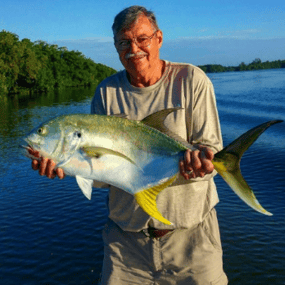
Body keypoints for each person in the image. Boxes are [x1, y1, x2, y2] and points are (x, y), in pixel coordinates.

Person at [30, 5, 228, 285]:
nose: (134, 48)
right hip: (126, 246)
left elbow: (211, 154)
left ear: (158, 38)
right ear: (115, 46)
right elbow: (104, 173)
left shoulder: (192, 80)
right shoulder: (106, 92)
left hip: (192, 241)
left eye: (142, 38)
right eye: (124, 42)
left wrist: (205, 163)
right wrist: (68, 169)